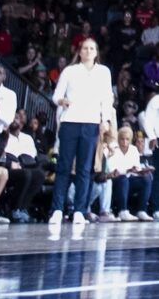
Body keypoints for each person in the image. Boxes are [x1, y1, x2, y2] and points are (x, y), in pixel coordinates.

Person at [50, 36, 116, 226]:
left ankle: (80, 210)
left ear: (96, 53)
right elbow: (56, 95)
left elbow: (107, 98)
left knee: (85, 169)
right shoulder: (70, 71)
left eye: (91, 49)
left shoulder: (103, 72)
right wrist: (61, 101)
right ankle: (57, 209)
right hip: (70, 121)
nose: (88, 51)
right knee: (63, 167)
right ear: (79, 52)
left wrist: (106, 121)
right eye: (85, 48)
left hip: (91, 123)